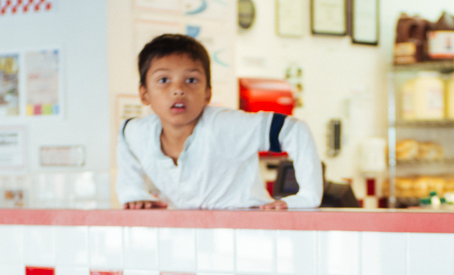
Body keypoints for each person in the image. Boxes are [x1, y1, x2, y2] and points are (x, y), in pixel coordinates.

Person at [116, 34, 322, 210]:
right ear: (144, 93)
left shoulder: (224, 125)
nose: (178, 90)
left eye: (191, 80)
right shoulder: (136, 132)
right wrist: (133, 192)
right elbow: (125, 137)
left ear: (207, 93)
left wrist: (307, 196)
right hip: (199, 232)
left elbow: (294, 130)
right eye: (163, 80)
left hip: (252, 227)